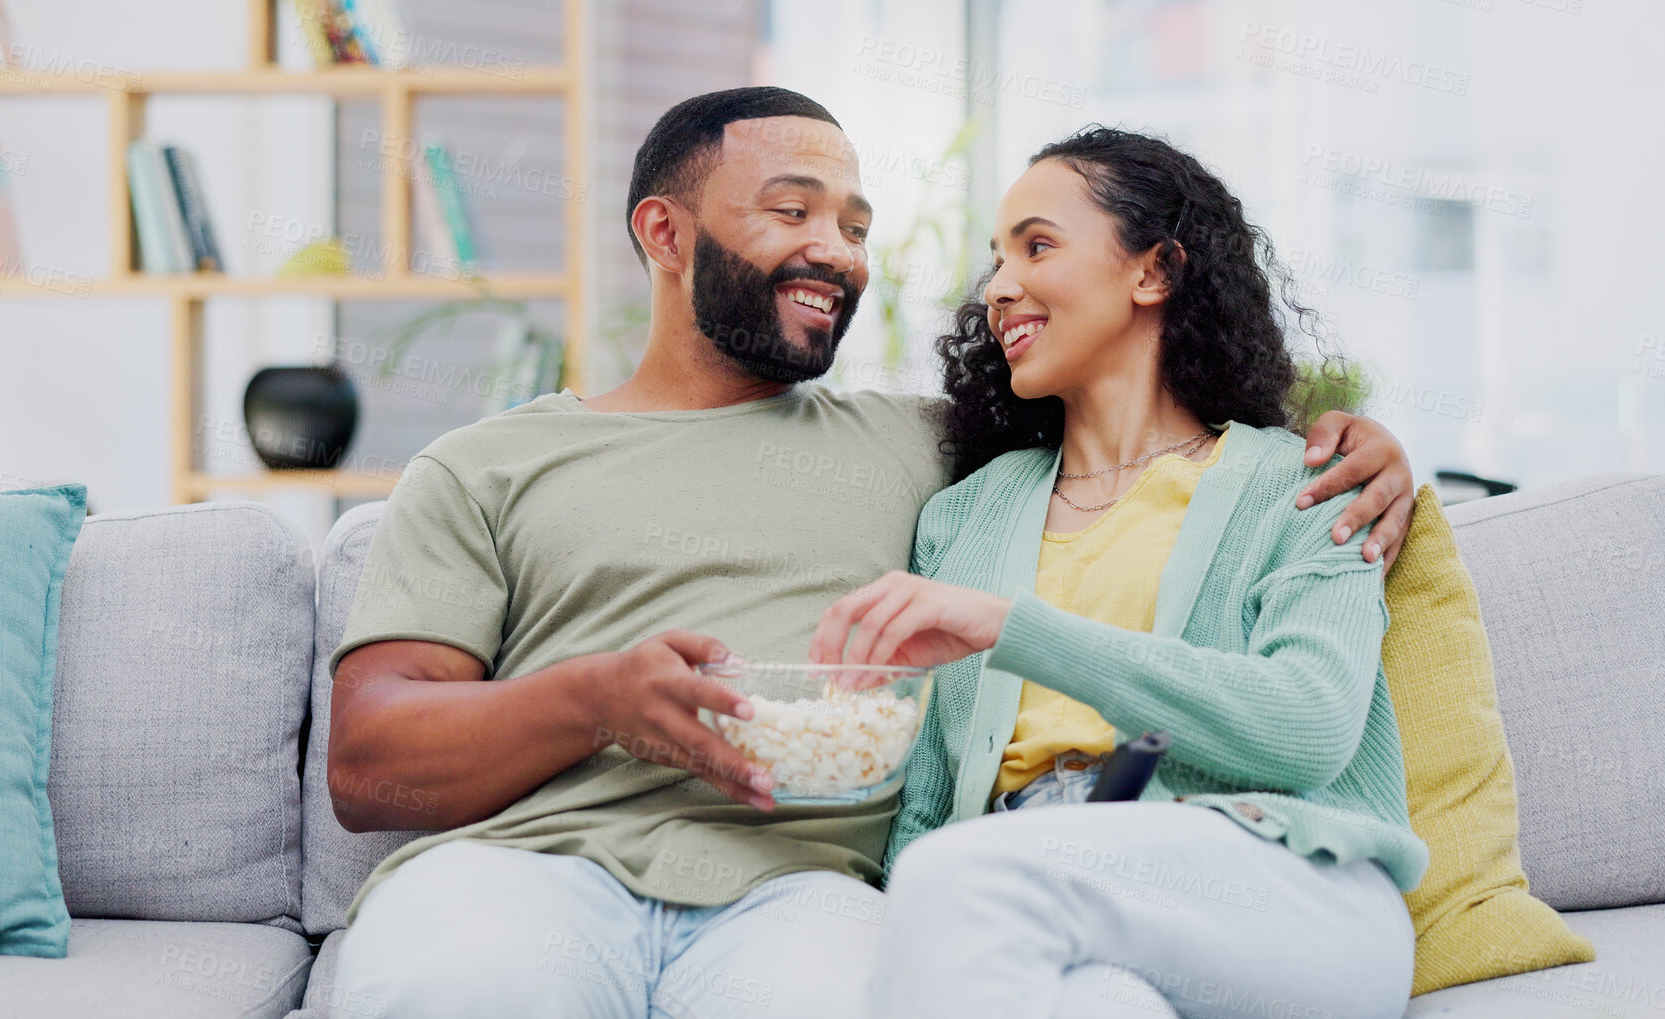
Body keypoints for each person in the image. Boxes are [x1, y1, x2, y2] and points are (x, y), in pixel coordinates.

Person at [327, 89, 1417, 1019]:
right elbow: (367, 761)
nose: (837, 251)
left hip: (806, 894)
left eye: (854, 224)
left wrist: (1372, 452)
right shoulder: (485, 464)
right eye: (792, 210)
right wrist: (593, 698)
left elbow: (1160, 457)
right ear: (664, 234)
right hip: (529, 869)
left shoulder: (924, 451)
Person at [810, 127, 1427, 1019]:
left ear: (1154, 271)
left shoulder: (1309, 482)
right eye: (996, 259)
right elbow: (930, 812)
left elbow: (1307, 724)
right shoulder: (964, 518)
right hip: (1050, 898)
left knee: (966, 877)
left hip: (1287, 888)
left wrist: (1009, 627)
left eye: (1038, 245)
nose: (999, 287)